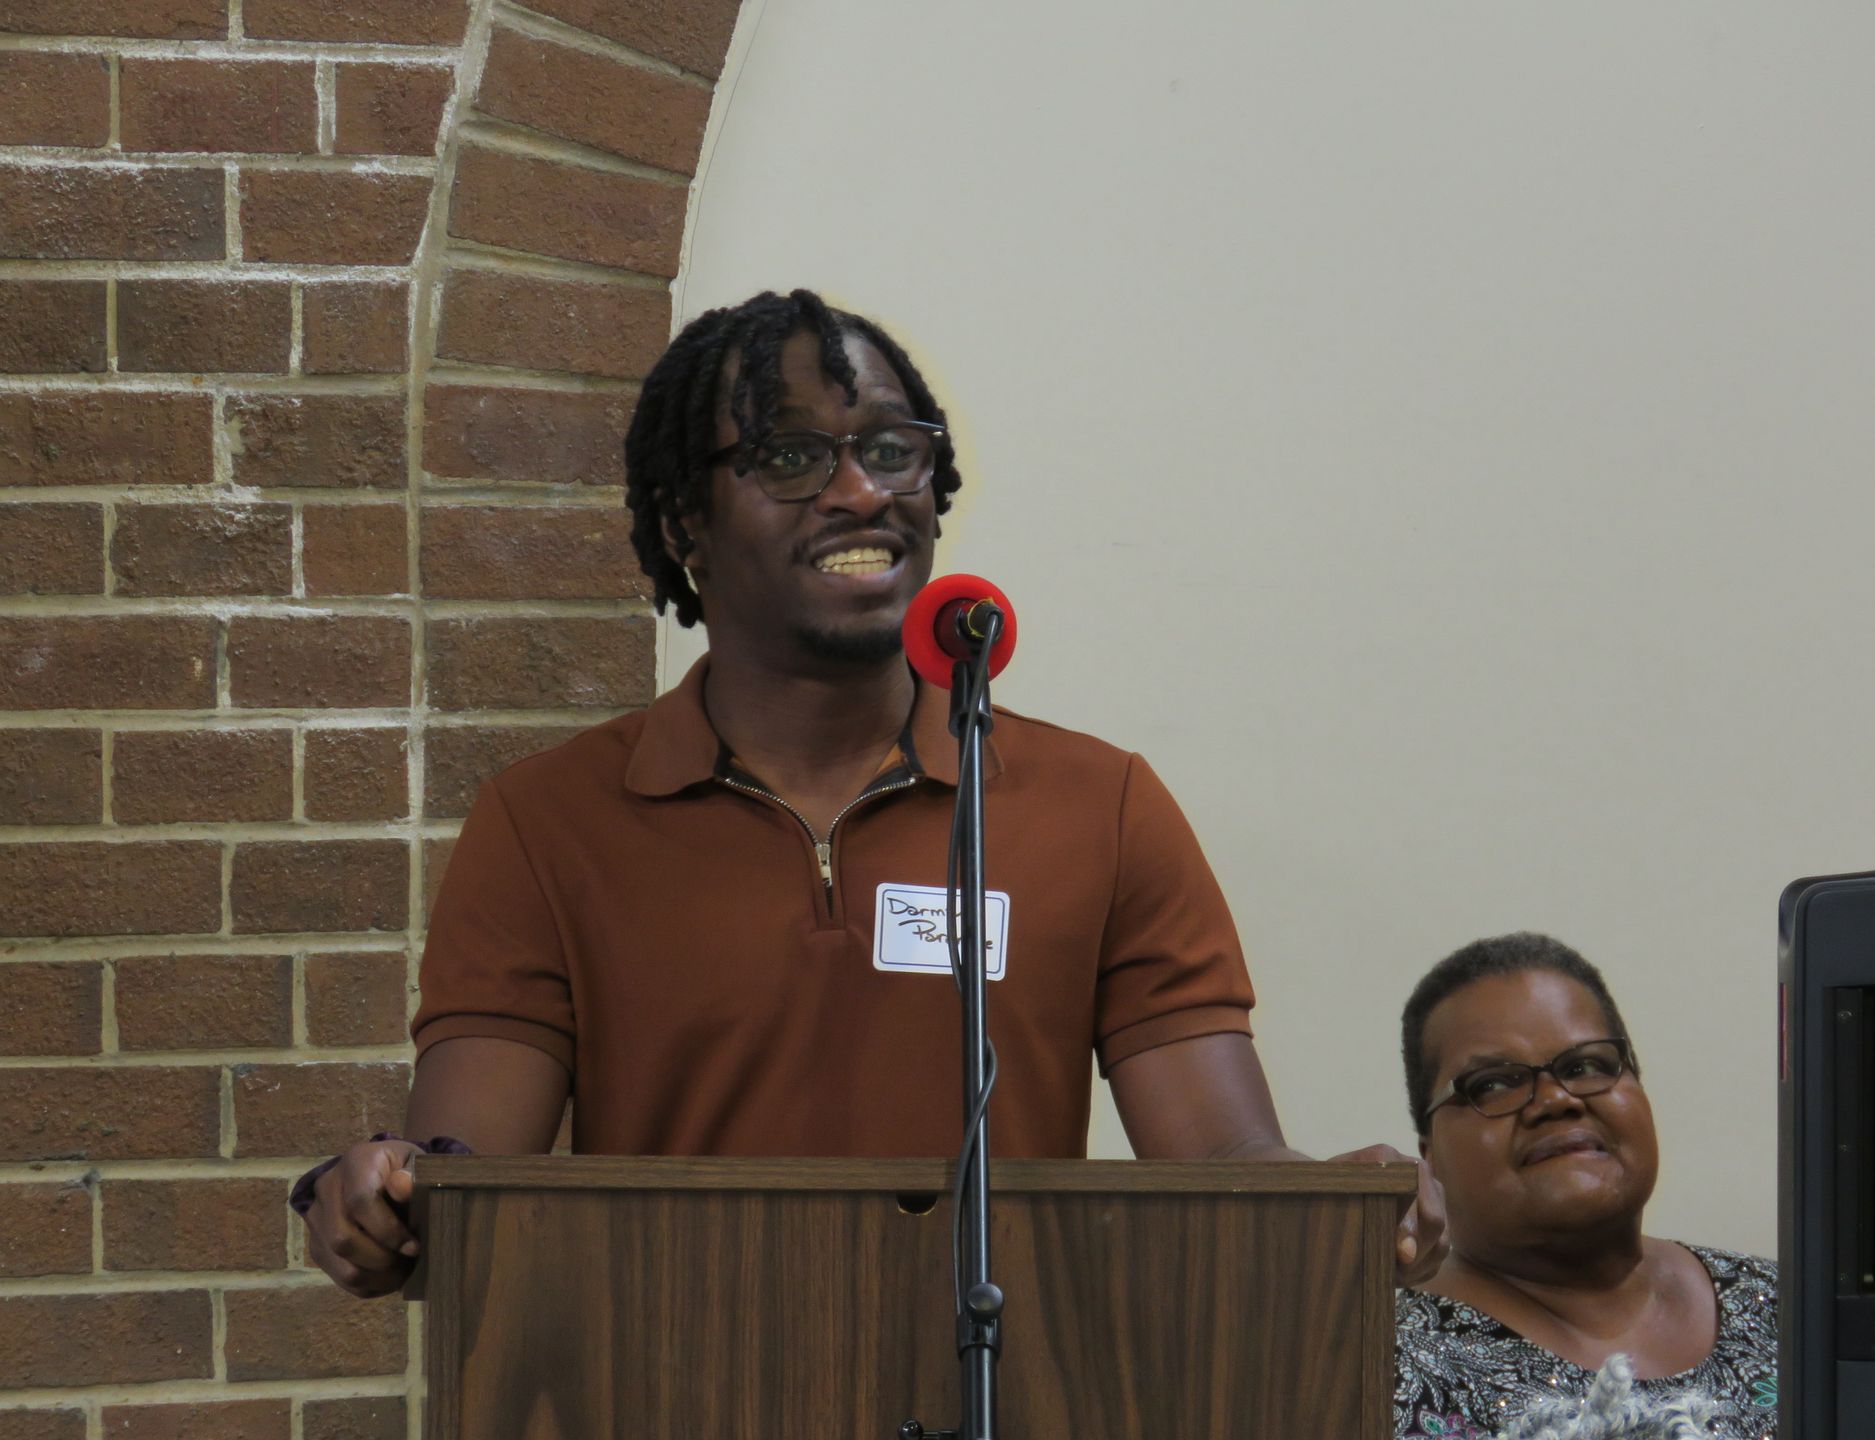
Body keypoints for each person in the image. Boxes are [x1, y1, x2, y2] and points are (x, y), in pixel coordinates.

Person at [295, 289, 1444, 1298]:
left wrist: (1333, 1201)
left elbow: (1224, 1166)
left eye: (891, 449)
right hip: (673, 1382)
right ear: (688, 519)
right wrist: (385, 1196)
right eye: (791, 459)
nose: (859, 491)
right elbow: (461, 1190)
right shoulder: (549, 825)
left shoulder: (1103, 807)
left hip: (1011, 1398)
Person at [1392, 932, 1777, 1439]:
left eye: (1586, 1065)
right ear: (1430, 1153)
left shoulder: (1788, 1308)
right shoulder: (1379, 1366)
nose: (1555, 1099)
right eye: (1494, 1082)